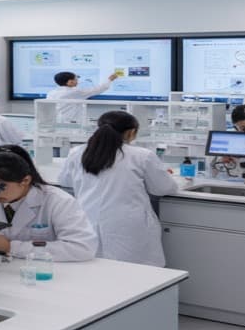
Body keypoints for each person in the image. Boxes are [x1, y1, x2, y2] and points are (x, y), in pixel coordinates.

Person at [61, 111, 178, 267]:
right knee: (135, 275)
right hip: (126, 225)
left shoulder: (77, 152)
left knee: (94, 271)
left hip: (88, 220)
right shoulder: (141, 155)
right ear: (131, 132)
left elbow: (65, 181)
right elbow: (164, 188)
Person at [0, 145, 97, 261]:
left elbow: (81, 248)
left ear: (25, 180)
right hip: (3, 269)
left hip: (47, 271)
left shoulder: (58, 201)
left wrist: (10, 246)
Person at [48, 70, 119, 125]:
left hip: (56, 123)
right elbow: (97, 89)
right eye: (76, 79)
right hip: (71, 124)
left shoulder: (51, 93)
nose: (78, 81)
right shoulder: (74, 92)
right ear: (70, 82)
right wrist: (109, 79)